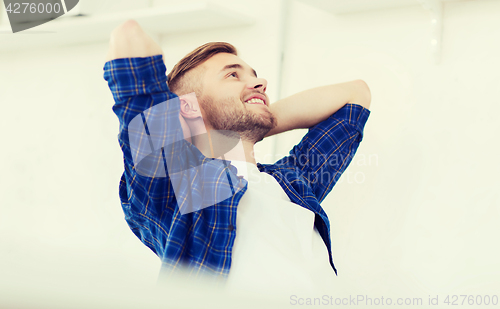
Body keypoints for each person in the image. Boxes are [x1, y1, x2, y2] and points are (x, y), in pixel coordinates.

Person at [103, 20, 371, 291]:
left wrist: (256, 119)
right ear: (188, 109)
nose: (260, 82)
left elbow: (356, 95)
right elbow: (129, 38)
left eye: (254, 75)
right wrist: (203, 127)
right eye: (233, 75)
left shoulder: (293, 182)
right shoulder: (180, 182)